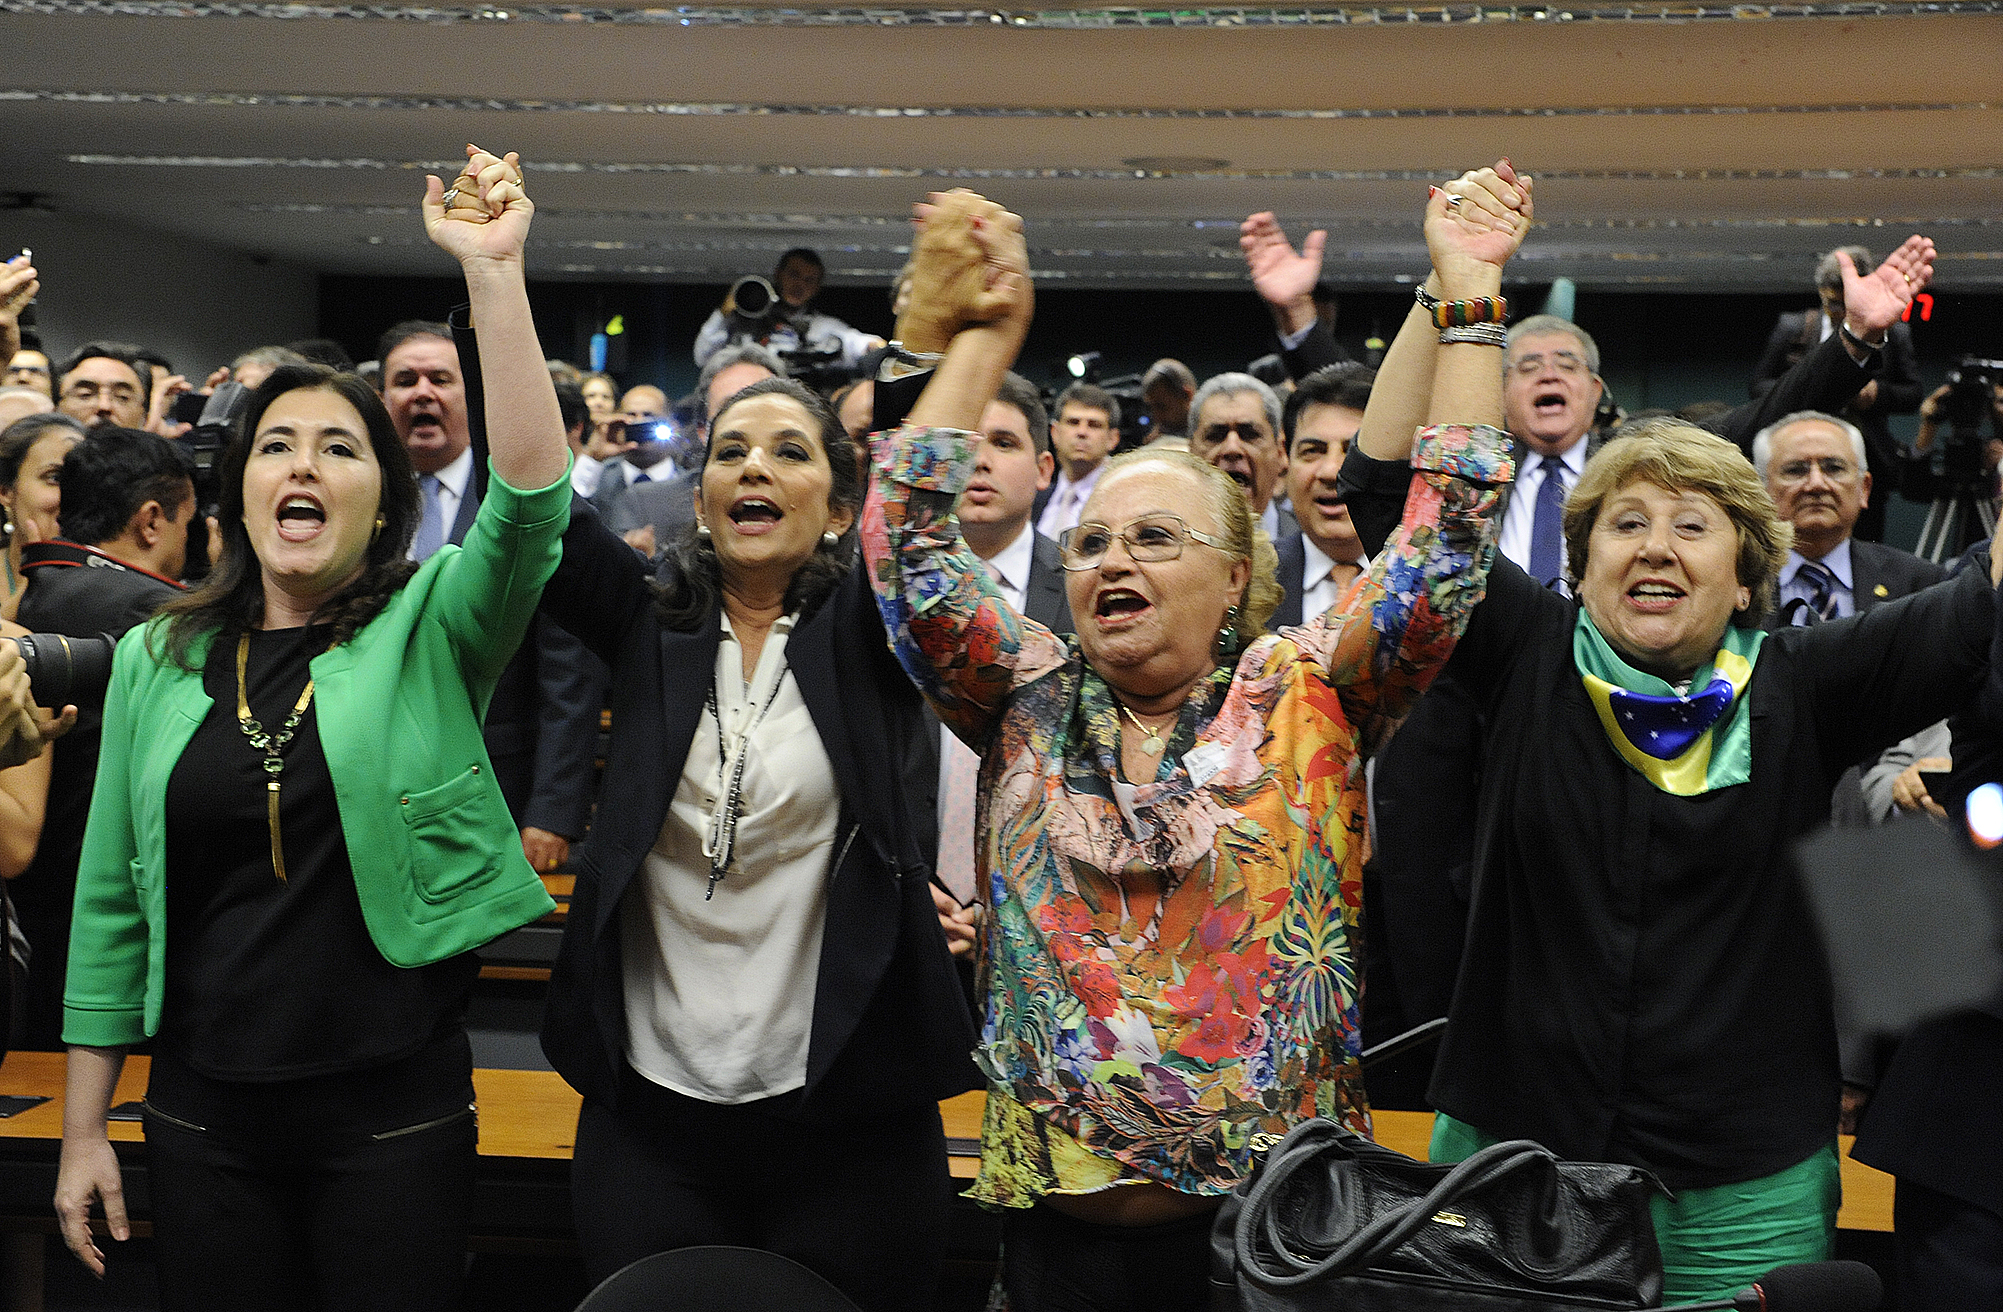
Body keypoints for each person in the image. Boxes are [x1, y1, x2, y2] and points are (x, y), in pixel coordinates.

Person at [867, 176, 1522, 1311]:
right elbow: (905, 543)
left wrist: (1469, 300)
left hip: (1273, 1259)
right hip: (1054, 1256)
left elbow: (1446, 534)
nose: (1111, 562)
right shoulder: (1023, 695)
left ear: (1232, 579)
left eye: (1154, 539)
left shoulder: (1306, 693)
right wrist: (982, 336)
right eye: (1093, 543)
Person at [1337, 233, 1972, 1307]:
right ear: (1577, 570)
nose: (1655, 546)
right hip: (1508, 1164)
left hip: (1742, 1185)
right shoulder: (1523, 651)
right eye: (1623, 524)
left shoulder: (1803, 679)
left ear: (1745, 577)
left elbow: (1978, 610)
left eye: (1693, 525)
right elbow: (1388, 491)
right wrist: (1445, 286)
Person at [52, 144, 569, 1310]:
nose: (303, 464)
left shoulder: (433, 622)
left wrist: (495, 274)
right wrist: (87, 1128)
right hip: (199, 1110)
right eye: (277, 445)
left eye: (339, 448)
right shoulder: (156, 654)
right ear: (234, 490)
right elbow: (107, 905)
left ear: (381, 500)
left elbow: (533, 506)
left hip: (391, 1112)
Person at [534, 252, 975, 1311]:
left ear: (837, 510)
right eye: (729, 452)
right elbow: (535, 494)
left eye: (787, 452)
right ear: (700, 497)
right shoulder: (645, 622)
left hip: (849, 1115)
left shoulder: (868, 632)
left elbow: (917, 518)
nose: (753, 469)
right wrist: (497, 279)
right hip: (653, 1116)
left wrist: (952, 336)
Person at [1751, 244, 1923, 543]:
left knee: (1867, 542)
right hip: (1798, 445)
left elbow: (1913, 393)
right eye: (1829, 302)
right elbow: (1759, 385)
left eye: (1842, 304)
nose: (1836, 311)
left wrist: (1877, 393)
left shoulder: (1892, 332)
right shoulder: (1793, 327)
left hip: (1865, 451)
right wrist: (1802, 388)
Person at [692, 247, 884, 371]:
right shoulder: (741, 322)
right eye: (794, 275)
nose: (800, 284)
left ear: (817, 287)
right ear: (779, 274)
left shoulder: (822, 327)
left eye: (809, 280)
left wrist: (874, 346)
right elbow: (703, 357)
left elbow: (853, 342)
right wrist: (724, 314)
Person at [0, 412, 84, 619]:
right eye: (55, 477)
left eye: (84, 478)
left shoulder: (115, 580)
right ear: (6, 491)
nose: (74, 495)